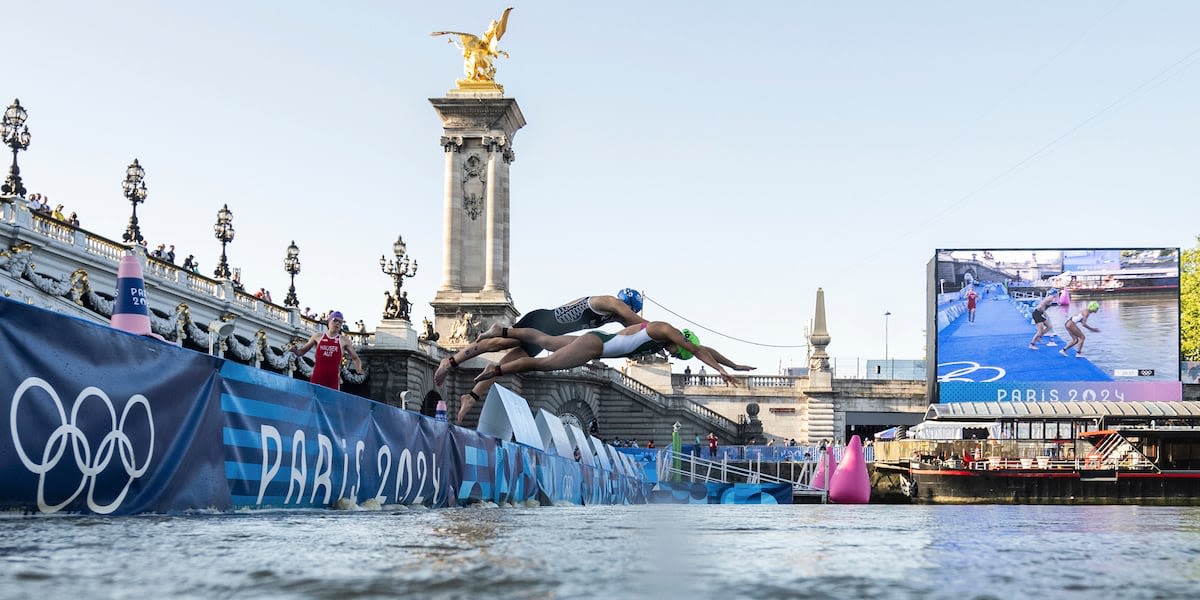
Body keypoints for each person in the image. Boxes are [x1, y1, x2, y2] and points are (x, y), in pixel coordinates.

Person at [434, 289, 647, 423]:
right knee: (498, 343)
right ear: (628, 305)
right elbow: (637, 323)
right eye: (630, 310)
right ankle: (450, 361)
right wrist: (661, 334)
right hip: (542, 322)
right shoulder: (610, 302)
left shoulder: (611, 316)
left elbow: (631, 330)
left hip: (547, 334)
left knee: (508, 365)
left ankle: (470, 397)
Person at [471, 320, 755, 387]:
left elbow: (705, 348)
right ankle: (493, 371)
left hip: (599, 340)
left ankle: (502, 330)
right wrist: (722, 372)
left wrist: (735, 364)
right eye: (676, 353)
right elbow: (696, 349)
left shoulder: (667, 338)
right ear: (678, 343)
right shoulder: (662, 330)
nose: (670, 355)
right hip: (597, 347)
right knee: (543, 364)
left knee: (546, 339)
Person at [291, 310, 363, 390]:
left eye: (340, 322)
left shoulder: (344, 340)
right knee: (314, 401)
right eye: (335, 320)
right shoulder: (318, 336)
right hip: (317, 379)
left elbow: (355, 358)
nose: (337, 323)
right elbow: (302, 352)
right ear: (329, 321)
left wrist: (358, 368)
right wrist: (294, 350)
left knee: (330, 402)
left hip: (333, 381)